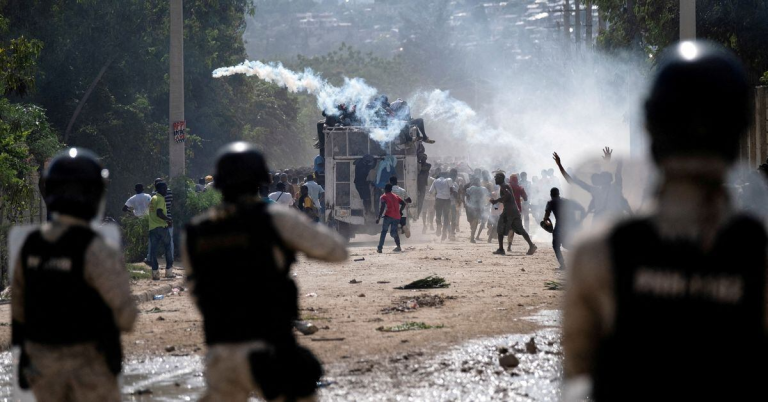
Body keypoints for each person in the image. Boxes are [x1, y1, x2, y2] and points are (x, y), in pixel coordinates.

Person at [563, 41, 767, 402]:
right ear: (738, 132)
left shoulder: (597, 252)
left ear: (651, 127)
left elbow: (579, 372)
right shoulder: (758, 251)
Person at [183, 142, 347, 402]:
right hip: (272, 350)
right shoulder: (275, 219)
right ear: (262, 181)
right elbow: (337, 251)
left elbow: (196, 291)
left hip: (221, 353)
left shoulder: (195, 230)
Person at [12, 148, 137, 401]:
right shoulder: (97, 248)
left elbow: (19, 311)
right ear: (94, 193)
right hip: (90, 367)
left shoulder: (30, 245)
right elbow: (126, 318)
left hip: (41, 367)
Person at [490, 172, 536, 255]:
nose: (495, 179)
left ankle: (501, 249)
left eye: (497, 178)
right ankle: (531, 245)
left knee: (500, 228)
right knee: (521, 229)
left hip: (508, 211)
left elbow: (508, 195)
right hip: (515, 210)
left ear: (501, 178)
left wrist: (496, 201)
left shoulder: (504, 186)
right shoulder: (505, 186)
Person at [542, 187, 585, 270]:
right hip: (569, 226)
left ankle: (563, 265)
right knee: (565, 244)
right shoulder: (566, 201)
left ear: (551, 194)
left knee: (556, 245)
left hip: (560, 226)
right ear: (559, 193)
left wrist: (546, 222)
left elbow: (546, 217)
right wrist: (579, 221)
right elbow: (581, 209)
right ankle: (581, 253)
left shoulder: (551, 202)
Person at [148, 181, 174, 280]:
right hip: (162, 227)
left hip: (152, 228)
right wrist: (168, 220)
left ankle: (155, 273)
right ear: (158, 189)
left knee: (153, 251)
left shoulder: (152, 198)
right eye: (164, 188)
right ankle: (169, 271)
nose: (166, 190)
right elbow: (159, 213)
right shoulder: (160, 199)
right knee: (168, 247)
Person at [376, 183, 406, 253]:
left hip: (388, 216)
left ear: (385, 189)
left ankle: (380, 248)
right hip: (397, 217)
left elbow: (382, 207)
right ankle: (398, 246)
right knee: (393, 233)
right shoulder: (396, 196)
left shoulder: (383, 196)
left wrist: (379, 217)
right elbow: (404, 203)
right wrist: (400, 211)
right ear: (391, 189)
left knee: (384, 232)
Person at [429, 172, 455, 241]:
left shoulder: (435, 181)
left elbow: (430, 191)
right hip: (446, 200)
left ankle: (438, 226)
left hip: (438, 200)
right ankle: (444, 232)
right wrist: (449, 193)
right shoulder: (448, 179)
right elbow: (452, 189)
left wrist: (437, 193)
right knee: (446, 216)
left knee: (438, 215)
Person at [507, 174, 529, 251]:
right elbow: (525, 198)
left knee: (510, 227)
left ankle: (508, 245)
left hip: (507, 209)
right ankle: (530, 244)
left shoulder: (506, 187)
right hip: (517, 210)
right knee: (515, 227)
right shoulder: (520, 188)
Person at [465, 177, 490, 243]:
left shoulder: (471, 188)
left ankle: (472, 235)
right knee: (475, 222)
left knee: (472, 221)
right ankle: (472, 236)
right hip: (479, 207)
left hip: (471, 207)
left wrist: (467, 204)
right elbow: (488, 196)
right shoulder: (483, 189)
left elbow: (466, 195)